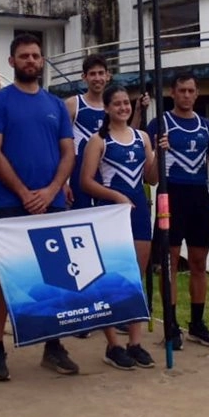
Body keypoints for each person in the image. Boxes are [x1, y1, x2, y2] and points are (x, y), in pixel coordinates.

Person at [0, 33, 78, 381]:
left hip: (51, 203)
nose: (31, 61)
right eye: (24, 56)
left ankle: (53, 345)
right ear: (12, 61)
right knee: (5, 276)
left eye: (36, 55)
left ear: (42, 60)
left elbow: (69, 153)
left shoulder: (56, 105)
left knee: (55, 275)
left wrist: (50, 191)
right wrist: (23, 193)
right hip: (10, 202)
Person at [79, 85, 158, 370]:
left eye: (127, 103)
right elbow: (85, 181)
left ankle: (135, 342)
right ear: (107, 108)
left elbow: (151, 178)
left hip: (138, 212)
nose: (124, 108)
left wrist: (160, 154)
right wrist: (116, 197)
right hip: (111, 213)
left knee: (136, 276)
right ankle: (113, 344)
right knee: (111, 278)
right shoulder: (98, 140)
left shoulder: (142, 137)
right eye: (118, 104)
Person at [147, 72, 209, 349]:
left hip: (198, 196)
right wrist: (159, 153)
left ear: (197, 94)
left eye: (191, 91)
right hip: (171, 194)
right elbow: (150, 175)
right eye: (181, 90)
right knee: (168, 262)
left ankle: (197, 323)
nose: (186, 95)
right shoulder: (160, 124)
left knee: (198, 262)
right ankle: (170, 324)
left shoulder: (207, 127)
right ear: (172, 93)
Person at [65, 55, 110, 210]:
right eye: (92, 74)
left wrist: (138, 112)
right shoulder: (73, 104)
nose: (97, 78)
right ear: (84, 77)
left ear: (108, 75)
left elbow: (123, 137)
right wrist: (63, 183)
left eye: (101, 73)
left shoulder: (113, 106)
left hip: (105, 170)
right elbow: (61, 145)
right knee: (80, 217)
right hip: (78, 169)